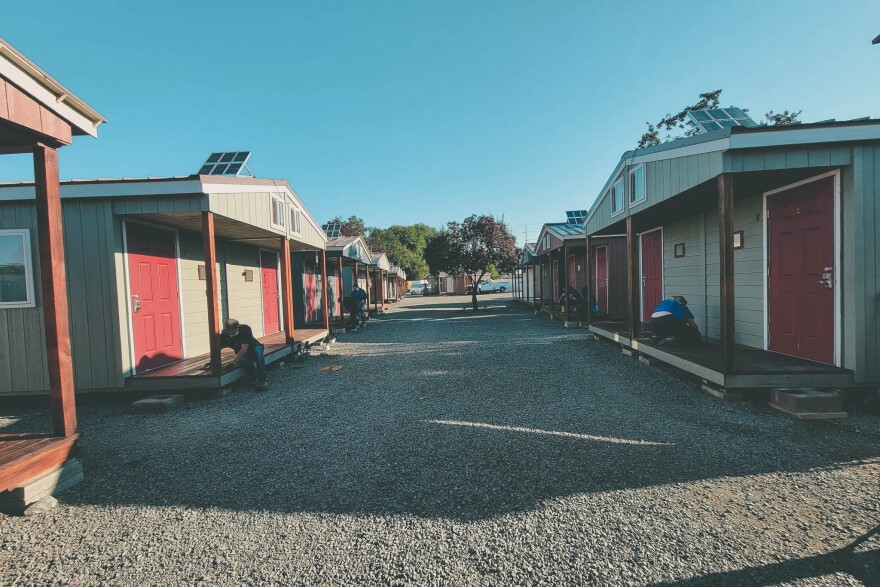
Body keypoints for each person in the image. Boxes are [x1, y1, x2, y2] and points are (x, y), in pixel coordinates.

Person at [220, 318, 268, 389]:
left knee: (259, 356)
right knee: (245, 361)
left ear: (237, 328)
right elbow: (217, 348)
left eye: (230, 330)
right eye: (227, 330)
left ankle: (262, 380)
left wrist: (232, 363)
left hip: (254, 346)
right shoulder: (223, 336)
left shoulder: (245, 329)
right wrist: (212, 362)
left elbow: (244, 348)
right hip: (240, 351)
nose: (228, 332)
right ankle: (253, 377)